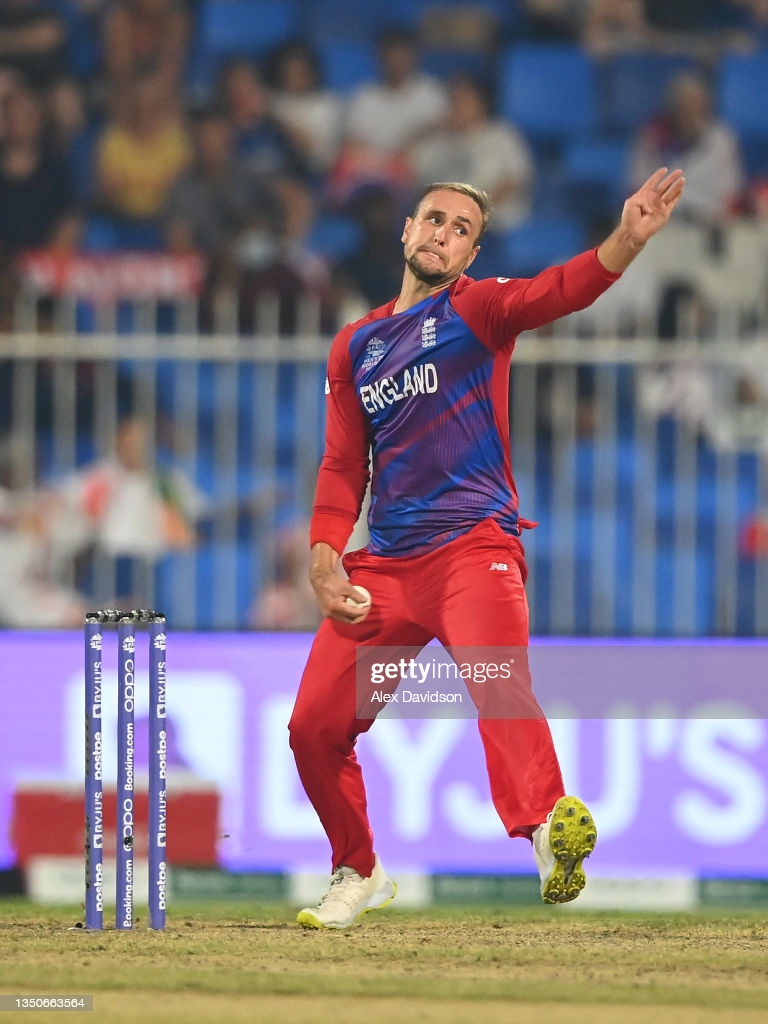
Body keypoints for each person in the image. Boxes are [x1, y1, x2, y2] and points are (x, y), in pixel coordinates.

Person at [288, 166, 686, 929]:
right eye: (434, 219)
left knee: (497, 680)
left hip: (475, 549)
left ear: (471, 255)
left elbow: (560, 291)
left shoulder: (480, 309)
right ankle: (357, 869)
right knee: (315, 726)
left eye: (461, 228)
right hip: (388, 569)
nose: (443, 233)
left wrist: (625, 243)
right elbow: (343, 465)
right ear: (407, 230)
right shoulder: (356, 346)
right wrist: (324, 556)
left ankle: (545, 832)